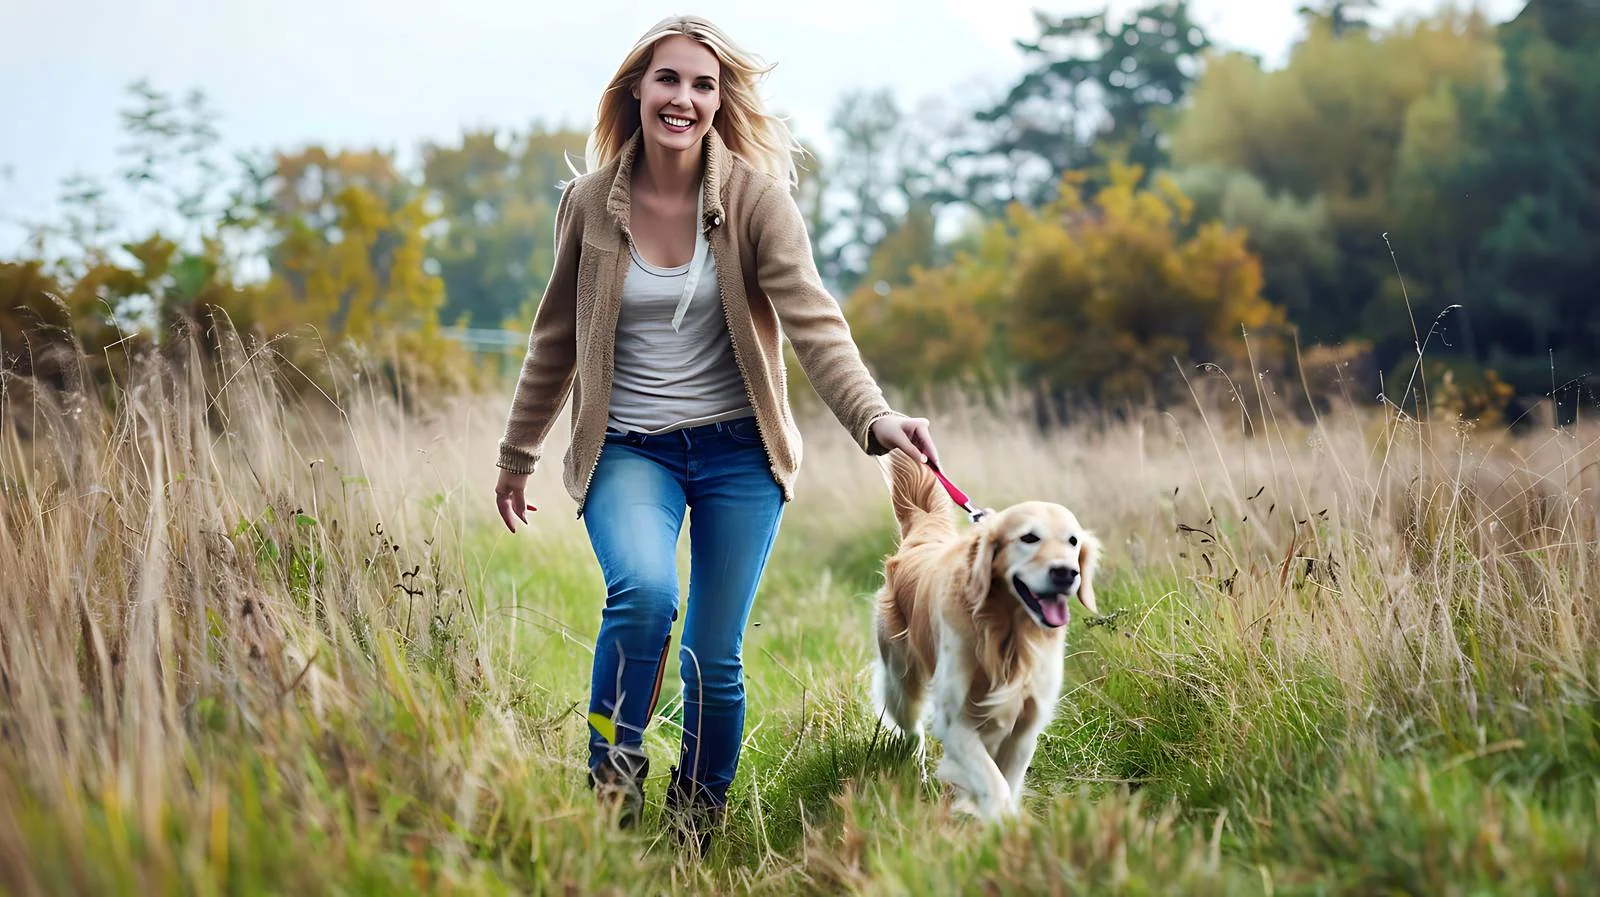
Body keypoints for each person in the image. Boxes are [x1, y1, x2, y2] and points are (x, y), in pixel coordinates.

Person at [492, 14, 942, 853]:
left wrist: (876, 419)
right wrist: (519, 453)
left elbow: (816, 325)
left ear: (718, 101)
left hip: (739, 451)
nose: (685, 99)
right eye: (669, 79)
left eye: (704, 85)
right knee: (644, 596)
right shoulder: (588, 205)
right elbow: (555, 336)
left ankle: (697, 824)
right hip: (629, 447)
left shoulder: (756, 202)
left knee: (711, 653)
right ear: (637, 88)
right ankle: (612, 793)